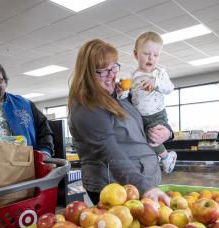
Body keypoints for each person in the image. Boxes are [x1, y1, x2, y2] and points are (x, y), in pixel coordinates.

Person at [68, 39, 172, 205]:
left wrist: (166, 131)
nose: (111, 75)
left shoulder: (121, 94)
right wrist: (145, 188)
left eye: (113, 67)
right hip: (116, 188)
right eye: (101, 72)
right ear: (87, 74)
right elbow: (110, 152)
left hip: (143, 180)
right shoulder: (86, 107)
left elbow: (147, 116)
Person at [128, 31, 177, 173]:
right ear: (136, 54)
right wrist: (122, 92)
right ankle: (161, 157)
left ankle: (167, 158)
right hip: (140, 118)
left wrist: (155, 82)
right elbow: (130, 96)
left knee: (154, 137)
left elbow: (170, 88)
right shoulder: (132, 76)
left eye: (156, 55)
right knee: (146, 140)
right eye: (146, 54)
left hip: (157, 115)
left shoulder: (159, 73)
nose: (151, 58)